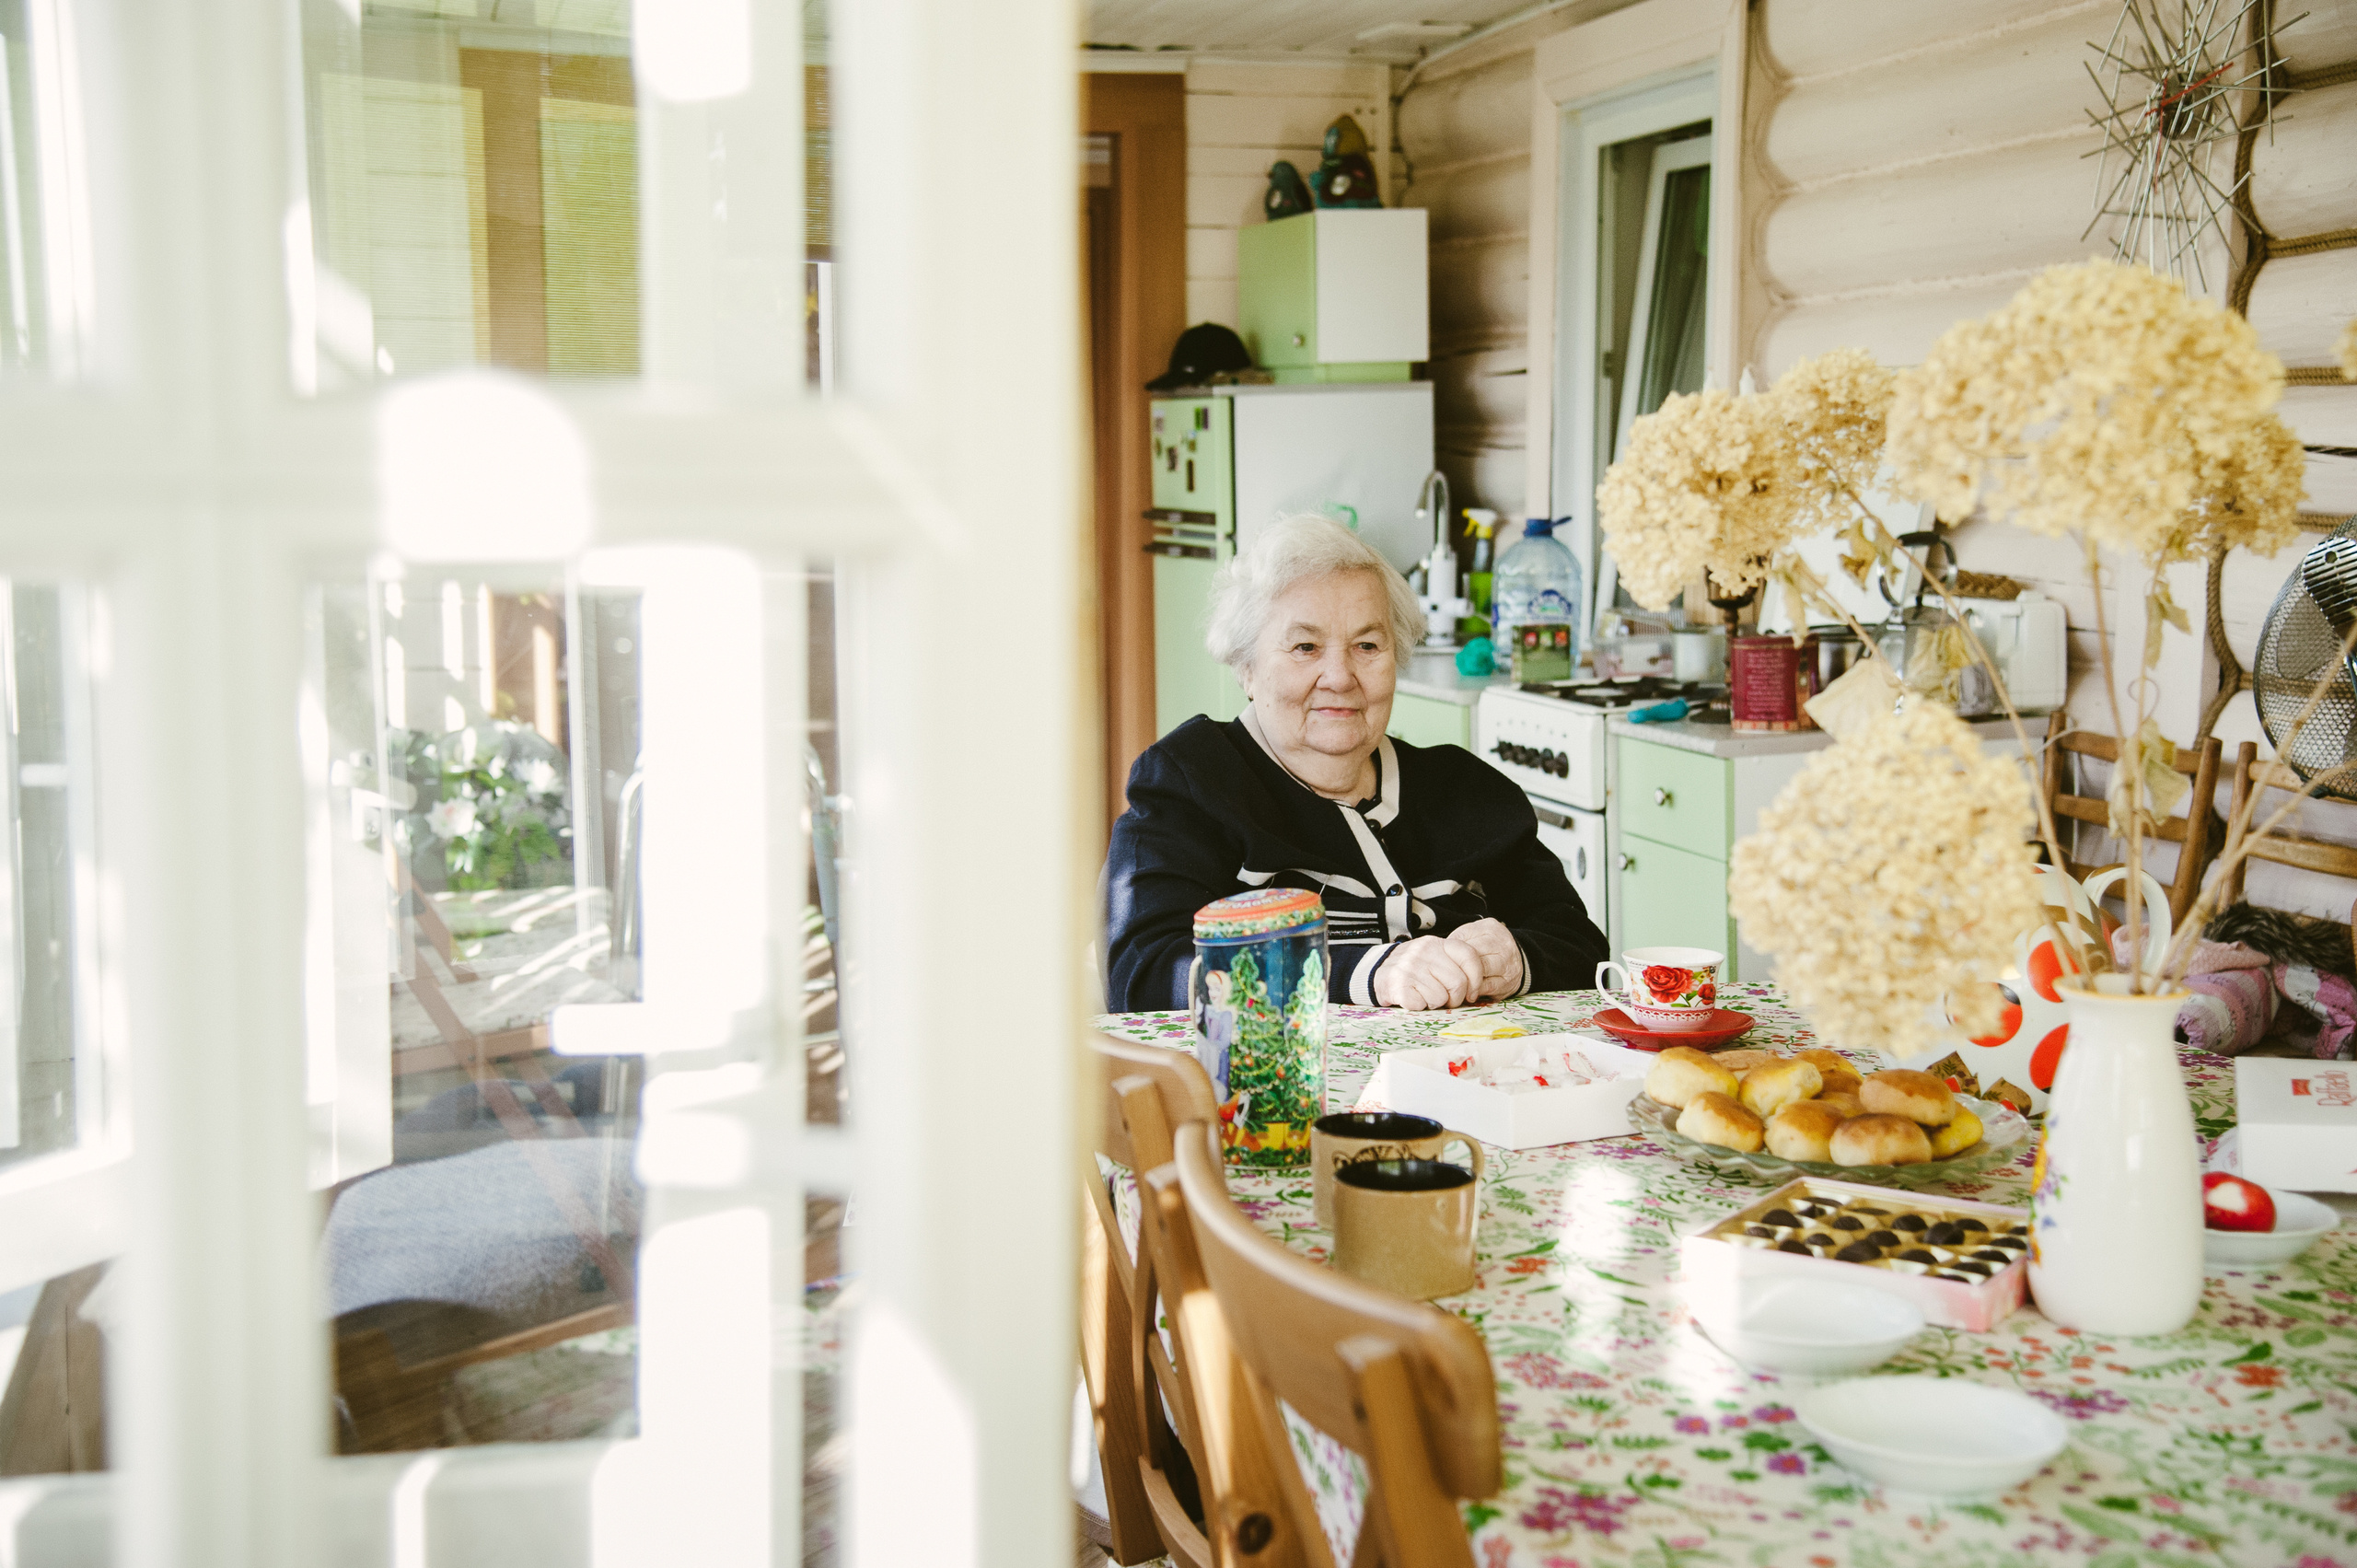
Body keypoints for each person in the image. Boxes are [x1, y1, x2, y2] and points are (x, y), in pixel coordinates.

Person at [1104, 513, 1608, 1011]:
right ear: (1246, 667)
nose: (1340, 677)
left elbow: (1583, 949)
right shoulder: (1190, 783)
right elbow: (1148, 972)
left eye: (1367, 645)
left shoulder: (1465, 788)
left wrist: (1519, 959)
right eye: (1306, 647)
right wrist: (1370, 973)